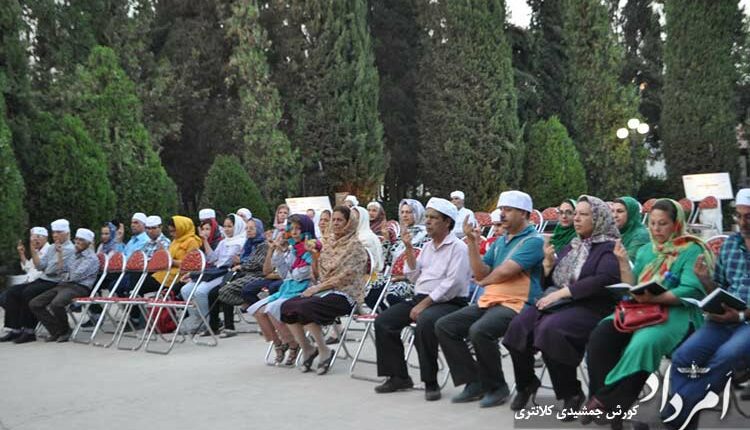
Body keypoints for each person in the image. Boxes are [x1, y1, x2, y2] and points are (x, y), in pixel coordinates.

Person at [583, 199, 711, 427]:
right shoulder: (646, 250)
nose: (656, 229)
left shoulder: (691, 249)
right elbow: (633, 283)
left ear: (676, 224)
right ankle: (603, 400)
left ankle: (605, 403)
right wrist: (623, 263)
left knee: (644, 343)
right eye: (652, 223)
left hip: (677, 312)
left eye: (662, 224)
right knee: (601, 336)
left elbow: (690, 289)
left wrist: (656, 298)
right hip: (640, 308)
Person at [503, 195, 620, 416]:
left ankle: (571, 393)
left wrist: (564, 293)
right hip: (559, 303)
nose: (576, 219)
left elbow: (604, 280)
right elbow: (553, 279)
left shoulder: (609, 247)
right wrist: (548, 265)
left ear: (599, 218)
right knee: (518, 326)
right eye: (576, 214)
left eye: (583, 215)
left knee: (550, 330)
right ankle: (526, 383)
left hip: (591, 307)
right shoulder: (573, 245)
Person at [435, 191, 544, 408]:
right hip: (492, 301)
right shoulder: (500, 242)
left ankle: (497, 387)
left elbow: (503, 273)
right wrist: (473, 244)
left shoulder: (533, 241)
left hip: (517, 303)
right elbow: (481, 272)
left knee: (480, 330)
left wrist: (483, 282)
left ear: (524, 213)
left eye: (508, 210)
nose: (502, 214)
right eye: (501, 209)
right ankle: (475, 382)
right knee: (445, 326)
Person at [660, 188, 750, 430]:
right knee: (682, 358)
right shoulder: (732, 245)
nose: (742, 222)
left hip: (746, 322)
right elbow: (720, 286)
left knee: (725, 356)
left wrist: (741, 314)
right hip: (725, 318)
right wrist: (705, 280)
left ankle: (675, 414)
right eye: (739, 216)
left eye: (748, 217)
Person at [374, 198, 471, 400]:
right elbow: (413, 275)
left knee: (424, 323)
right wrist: (409, 248)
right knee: (384, 321)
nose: (427, 221)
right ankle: (398, 376)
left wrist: (424, 304)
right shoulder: (427, 247)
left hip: (449, 303)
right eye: (427, 217)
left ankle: (431, 381)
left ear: (447, 222)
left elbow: (452, 284)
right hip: (420, 298)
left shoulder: (458, 248)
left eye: (434, 218)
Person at [281, 206, 368, 375]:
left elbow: (344, 277)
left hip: (346, 294)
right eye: (333, 220)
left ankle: (324, 350)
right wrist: (314, 256)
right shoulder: (328, 243)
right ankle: (308, 348)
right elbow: (318, 274)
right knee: (287, 307)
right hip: (323, 290)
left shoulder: (355, 246)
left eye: (340, 220)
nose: (335, 223)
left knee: (306, 307)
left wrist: (316, 288)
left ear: (349, 223)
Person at [248, 214, 318, 366]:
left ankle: (294, 345)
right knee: (256, 310)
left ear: (306, 229)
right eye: (291, 229)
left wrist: (292, 262)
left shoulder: (311, 248)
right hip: (290, 287)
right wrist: (279, 252)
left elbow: (303, 275)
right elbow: (285, 274)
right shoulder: (294, 248)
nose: (294, 232)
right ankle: (279, 344)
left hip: (305, 288)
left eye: (298, 228)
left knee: (272, 308)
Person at [1, 219, 76, 344]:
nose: (55, 235)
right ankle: (14, 329)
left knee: (28, 292)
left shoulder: (69, 249)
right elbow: (40, 266)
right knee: (12, 292)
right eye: (54, 232)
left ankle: (29, 330)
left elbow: (53, 270)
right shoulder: (52, 247)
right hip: (44, 278)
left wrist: (47, 265)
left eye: (59, 232)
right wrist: (33, 250)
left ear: (67, 233)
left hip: (55, 282)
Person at [29, 228, 100, 342]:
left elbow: (74, 276)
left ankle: (64, 331)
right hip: (65, 285)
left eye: (81, 240)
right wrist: (60, 255)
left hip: (80, 287)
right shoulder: (75, 255)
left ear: (88, 242)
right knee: (35, 303)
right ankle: (56, 330)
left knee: (56, 304)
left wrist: (65, 273)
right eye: (76, 239)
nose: (77, 242)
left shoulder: (91, 258)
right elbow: (61, 271)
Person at [179, 214, 246, 333]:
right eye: (225, 226)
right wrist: (204, 240)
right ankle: (200, 320)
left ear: (238, 226)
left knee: (200, 291)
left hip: (225, 273)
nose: (226, 229)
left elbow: (226, 262)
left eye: (230, 226)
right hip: (215, 271)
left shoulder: (241, 242)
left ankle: (211, 322)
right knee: (186, 290)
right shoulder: (223, 242)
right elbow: (212, 259)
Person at [366, 199, 429, 309]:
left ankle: (397, 319)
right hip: (393, 278)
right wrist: (386, 239)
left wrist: (402, 277)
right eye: (402, 212)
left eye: (409, 212)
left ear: (418, 213)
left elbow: (426, 264)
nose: (404, 215)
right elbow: (388, 261)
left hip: (413, 280)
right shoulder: (402, 235)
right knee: (370, 293)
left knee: (391, 294)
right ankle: (385, 320)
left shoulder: (426, 236)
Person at [211, 218, 268, 336]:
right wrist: (241, 264)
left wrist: (241, 265)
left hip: (257, 275)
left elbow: (257, 264)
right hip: (243, 273)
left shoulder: (263, 245)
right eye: (247, 228)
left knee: (227, 290)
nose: (248, 231)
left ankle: (252, 308)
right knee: (219, 291)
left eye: (252, 228)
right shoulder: (248, 243)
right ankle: (223, 324)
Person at [612, 196, 650, 262]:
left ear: (631, 214)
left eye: (620, 211)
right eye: (612, 211)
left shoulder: (641, 236)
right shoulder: (614, 233)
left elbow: (629, 262)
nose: (614, 215)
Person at [353, 206, 384, 273]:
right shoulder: (354, 236)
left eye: (355, 218)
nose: (352, 221)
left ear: (362, 219)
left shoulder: (366, 238)